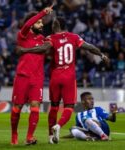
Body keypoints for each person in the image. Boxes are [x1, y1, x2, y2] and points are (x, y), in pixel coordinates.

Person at [18, 17, 110, 144]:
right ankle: (59, 126)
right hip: (69, 77)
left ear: (57, 24)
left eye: (53, 22)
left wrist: (25, 50)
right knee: (69, 106)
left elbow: (43, 49)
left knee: (54, 106)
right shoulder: (74, 37)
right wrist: (102, 55)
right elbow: (89, 47)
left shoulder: (51, 38)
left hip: (55, 76)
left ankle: (51, 136)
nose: (51, 24)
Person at [10, 6, 53, 145]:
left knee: (35, 106)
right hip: (22, 76)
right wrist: (42, 13)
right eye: (39, 22)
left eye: (42, 22)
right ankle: (14, 135)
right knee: (17, 107)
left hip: (37, 78)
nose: (42, 25)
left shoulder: (43, 39)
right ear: (32, 22)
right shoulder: (22, 35)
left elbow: (46, 48)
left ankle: (29, 137)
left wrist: (25, 50)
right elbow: (27, 24)